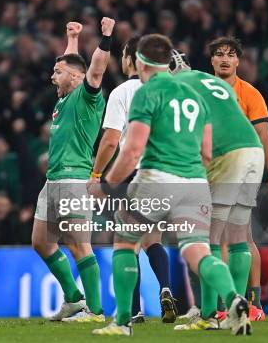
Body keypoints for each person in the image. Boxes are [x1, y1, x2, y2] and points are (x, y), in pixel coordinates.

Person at [90, 34, 250, 336]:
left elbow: (132, 149)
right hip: (194, 182)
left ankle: (123, 321)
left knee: (125, 242)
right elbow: (206, 151)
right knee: (197, 250)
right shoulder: (193, 94)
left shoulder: (146, 93)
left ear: (140, 61)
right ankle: (233, 300)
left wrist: (106, 183)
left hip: (158, 178)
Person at [170, 50, 264, 330]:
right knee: (238, 238)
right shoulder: (216, 83)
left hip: (227, 156)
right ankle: (239, 313)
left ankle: (210, 315)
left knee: (208, 238)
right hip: (253, 152)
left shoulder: (177, 87)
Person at [30, 18, 114, 322]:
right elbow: (71, 64)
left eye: (58, 72)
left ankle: (95, 311)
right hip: (53, 179)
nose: (53, 76)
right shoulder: (65, 97)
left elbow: (95, 68)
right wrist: (73, 38)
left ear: (77, 78)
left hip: (74, 177)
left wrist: (105, 38)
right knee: (41, 241)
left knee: (79, 245)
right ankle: (74, 299)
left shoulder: (87, 96)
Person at [89, 36, 177, 324]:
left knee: (127, 243)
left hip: (133, 172)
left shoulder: (123, 92)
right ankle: (166, 288)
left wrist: (98, 174)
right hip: (166, 172)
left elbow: (111, 140)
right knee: (153, 238)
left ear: (132, 58)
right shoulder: (173, 90)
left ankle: (134, 309)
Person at [209, 36, 268, 321]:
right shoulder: (205, 92)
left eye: (230, 54)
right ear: (212, 61)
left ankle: (232, 303)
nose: (225, 59)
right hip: (213, 170)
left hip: (242, 170)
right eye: (219, 54)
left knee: (229, 235)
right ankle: (250, 303)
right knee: (240, 236)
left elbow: (264, 137)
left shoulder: (250, 94)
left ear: (239, 61)